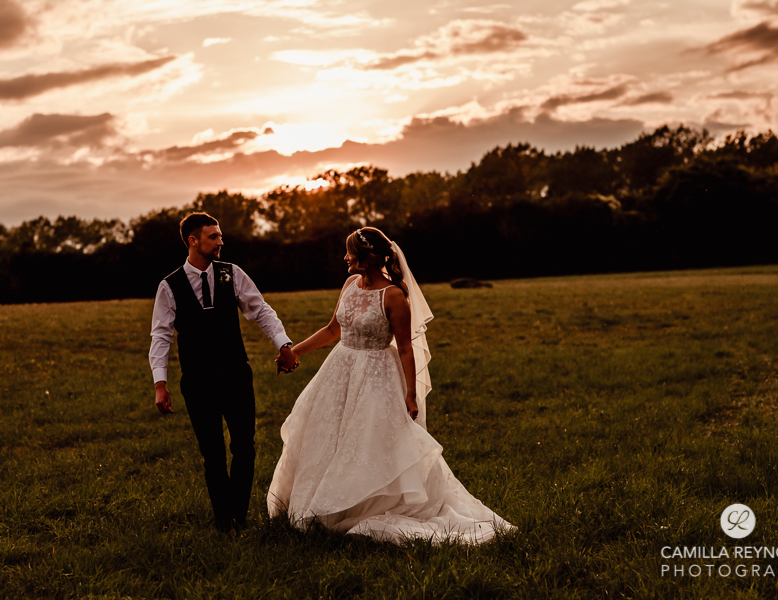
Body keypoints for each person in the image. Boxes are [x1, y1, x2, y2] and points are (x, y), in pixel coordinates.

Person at [267, 227, 516, 543]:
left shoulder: (395, 296)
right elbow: (333, 330)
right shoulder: (348, 284)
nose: (344, 258)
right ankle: (320, 505)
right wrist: (293, 350)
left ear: (367, 257)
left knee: (371, 441)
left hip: (377, 375)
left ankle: (367, 503)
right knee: (328, 435)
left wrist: (411, 395)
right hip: (340, 370)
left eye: (349, 253)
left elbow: (405, 348)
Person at [150, 212, 299, 533]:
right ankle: (223, 522)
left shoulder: (232, 274)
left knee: (245, 447)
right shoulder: (170, 286)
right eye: (213, 237)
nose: (221, 241)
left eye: (220, 236)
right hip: (197, 381)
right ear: (193, 241)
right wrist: (160, 383)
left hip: (236, 375)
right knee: (213, 454)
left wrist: (284, 344)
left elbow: (261, 310)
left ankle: (238, 517)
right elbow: (161, 335)